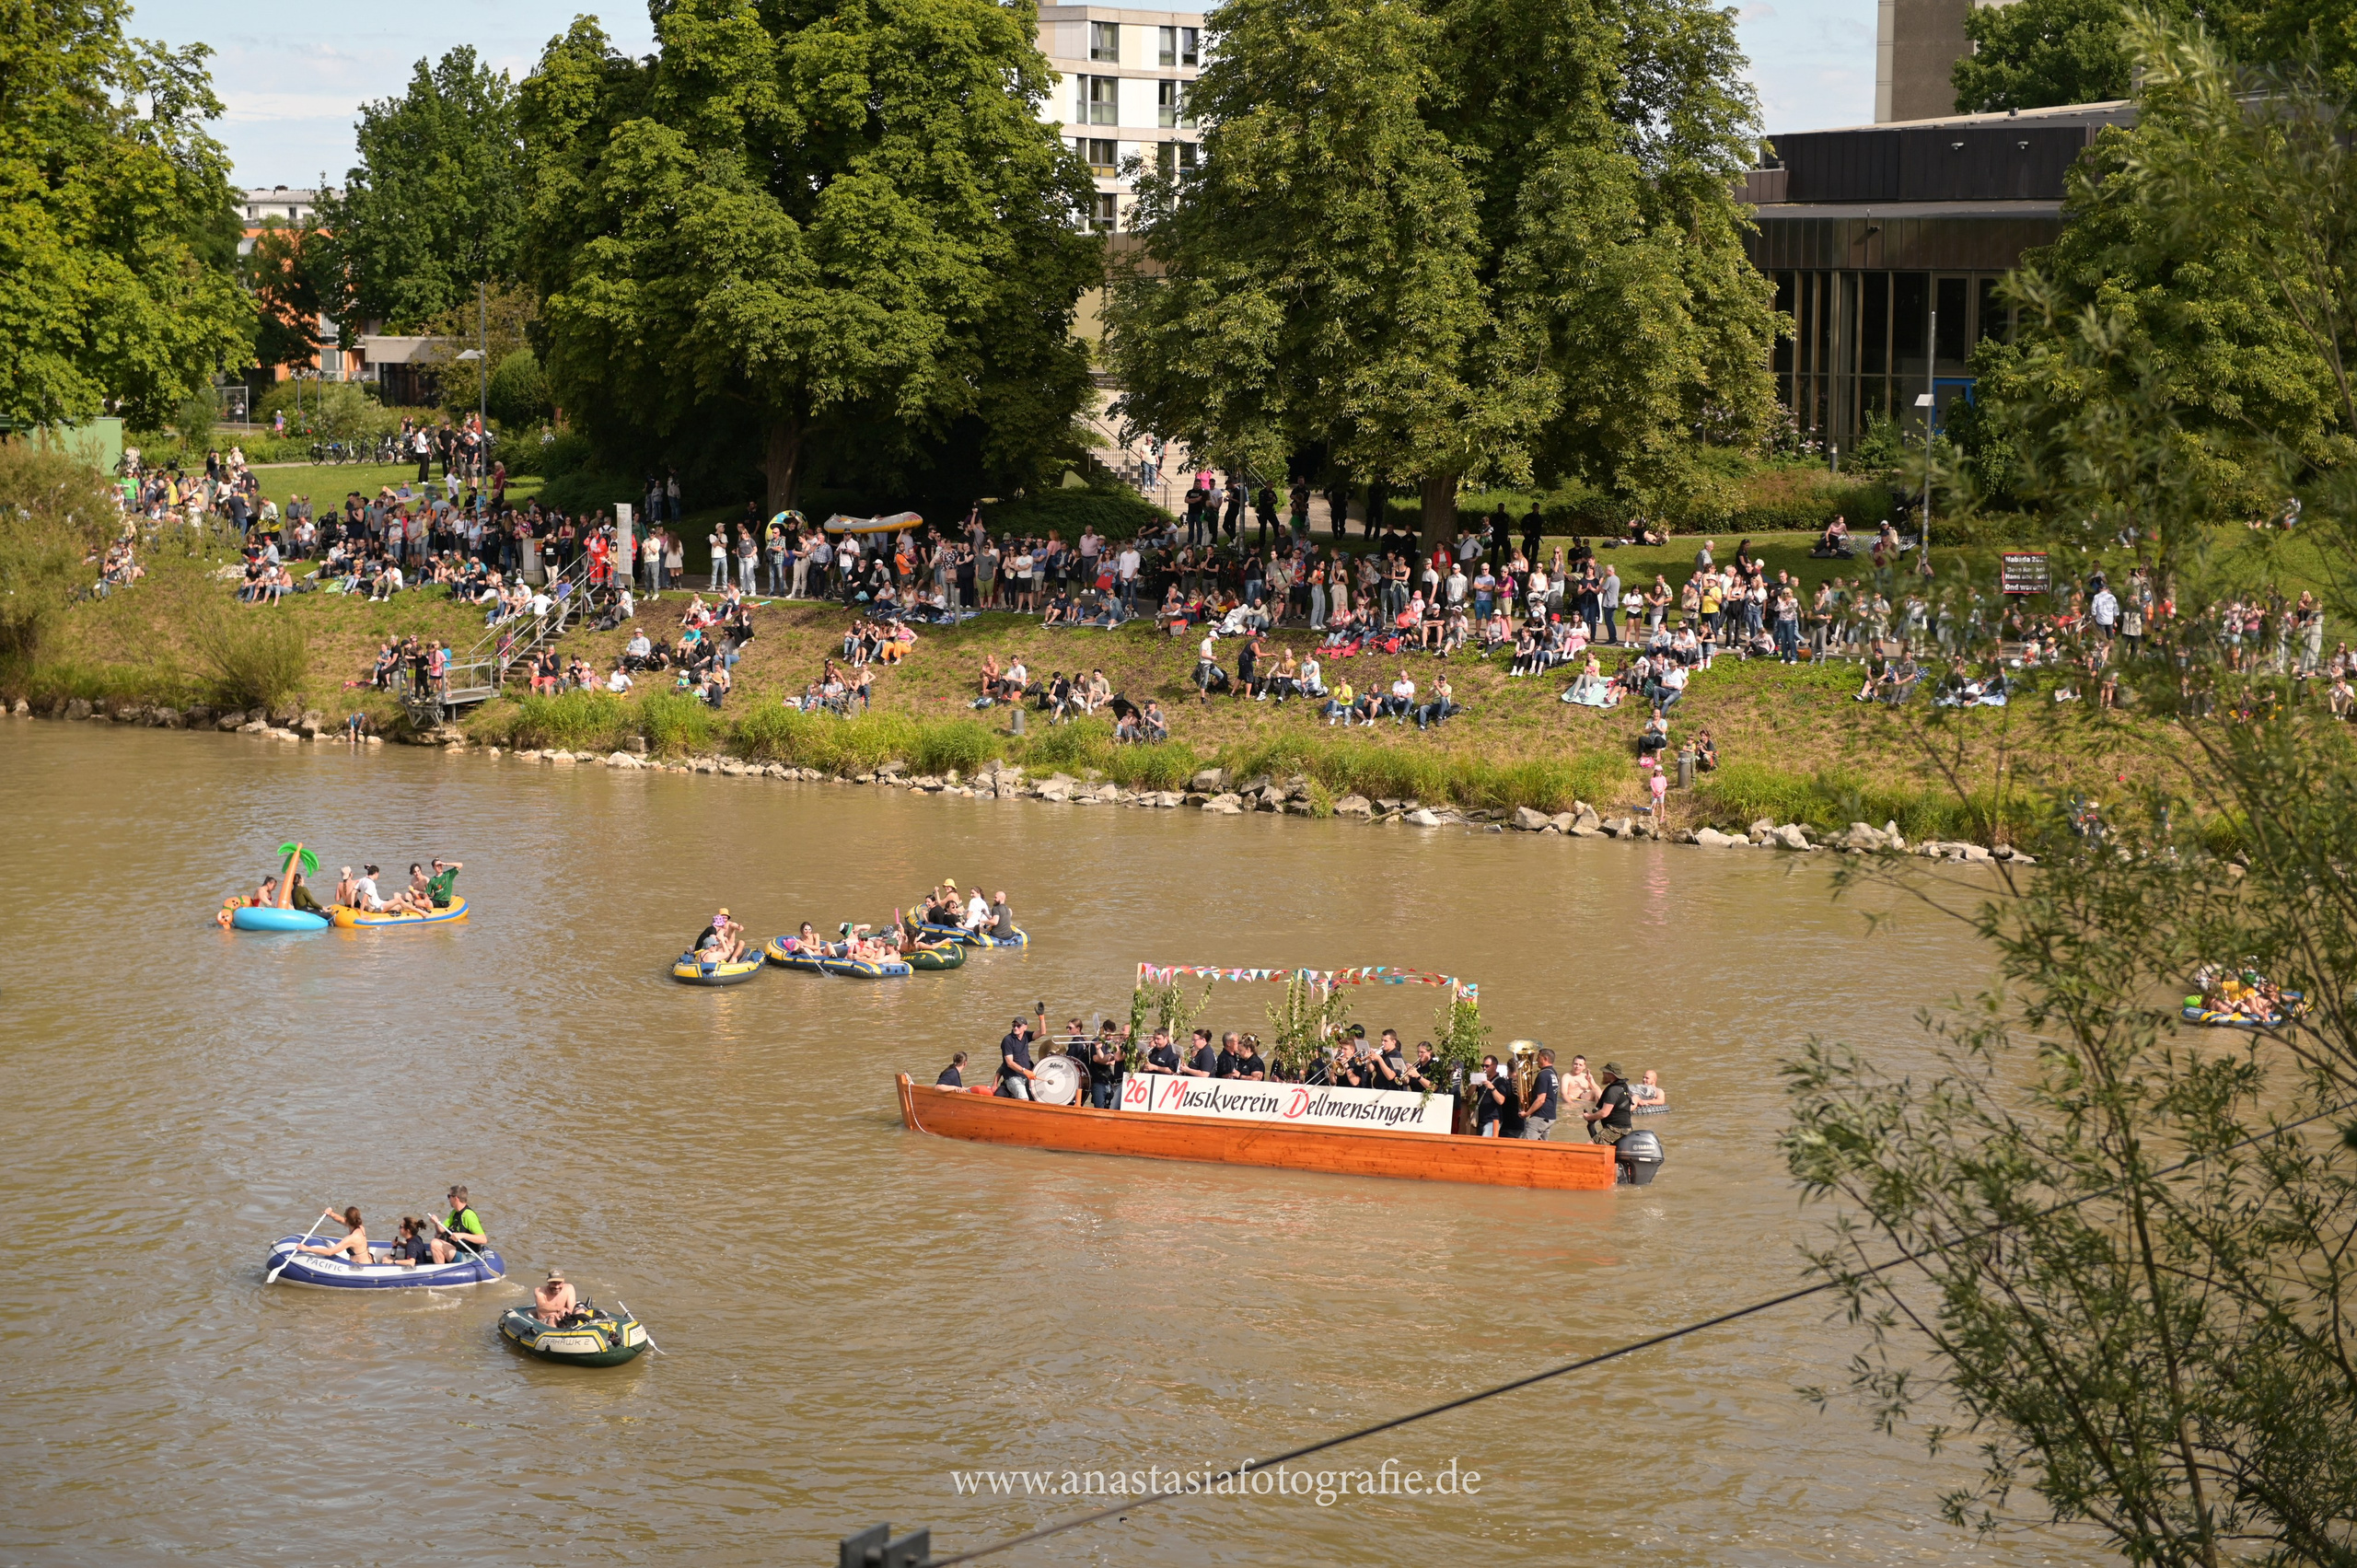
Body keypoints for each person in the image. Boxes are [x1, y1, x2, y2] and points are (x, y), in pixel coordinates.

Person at [429, 1186, 488, 1264]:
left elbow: (483, 1239)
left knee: (435, 1243)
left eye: (449, 1196)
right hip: (459, 1250)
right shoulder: (454, 1212)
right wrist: (436, 1222)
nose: (448, 1199)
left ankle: (441, 1270)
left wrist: (462, 1235)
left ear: (456, 1198)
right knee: (438, 1236)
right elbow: (441, 1230)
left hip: (470, 1256)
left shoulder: (468, 1215)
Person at [1583, 1063, 1634, 1146]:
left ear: (1611, 1074)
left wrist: (1589, 1117)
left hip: (1616, 1129)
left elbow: (1604, 1113)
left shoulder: (1613, 1090)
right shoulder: (1623, 1086)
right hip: (1625, 1127)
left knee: (1588, 1147)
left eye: (1605, 1072)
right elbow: (1604, 1100)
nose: (1603, 1074)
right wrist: (1591, 1082)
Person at [299, 1205, 371, 1264]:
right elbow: (340, 1220)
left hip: (361, 1266)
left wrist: (307, 1249)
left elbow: (329, 1252)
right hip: (368, 1261)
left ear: (347, 1219)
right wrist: (331, 1214)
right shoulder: (360, 1227)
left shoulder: (351, 1238)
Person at [1522, 1048, 1562, 1140]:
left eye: (1538, 1057)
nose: (1536, 1060)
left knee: (1526, 1144)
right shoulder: (1553, 1073)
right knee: (1541, 1146)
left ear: (1545, 1059)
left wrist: (1527, 1114)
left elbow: (1541, 1099)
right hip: (1550, 1116)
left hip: (1540, 1117)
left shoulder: (1543, 1075)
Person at [996, 1016, 1039, 1099]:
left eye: (1018, 1026)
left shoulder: (1026, 1036)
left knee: (1041, 1096)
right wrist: (1025, 1071)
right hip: (1013, 1077)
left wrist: (1041, 1017)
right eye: (1014, 1025)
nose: (1015, 1028)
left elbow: (1042, 1032)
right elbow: (1009, 1063)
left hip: (1026, 1077)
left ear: (1025, 1027)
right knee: (1024, 1098)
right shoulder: (1008, 1040)